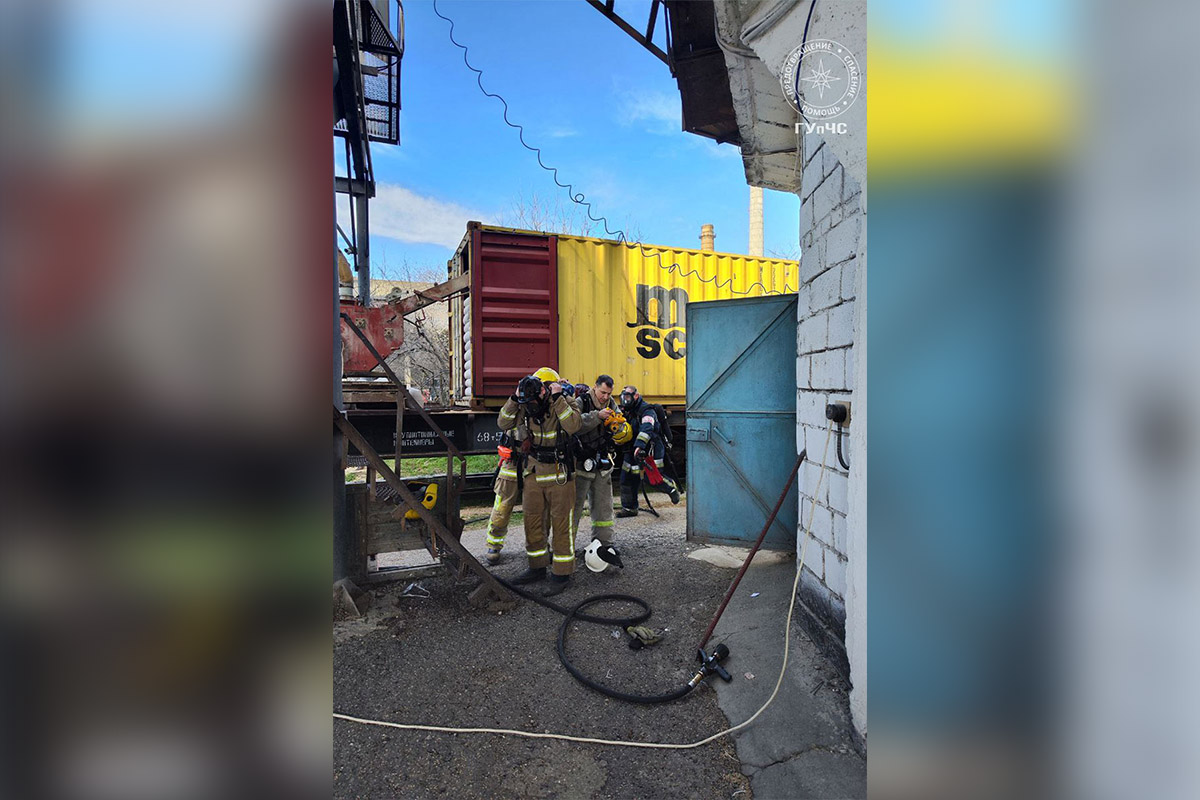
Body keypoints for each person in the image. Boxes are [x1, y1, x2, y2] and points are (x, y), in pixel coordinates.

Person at [497, 367, 582, 596]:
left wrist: (558, 399)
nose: (534, 401)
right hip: (533, 471)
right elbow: (503, 423)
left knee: (561, 523)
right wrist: (515, 399)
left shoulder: (565, 401)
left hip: (560, 473)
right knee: (532, 520)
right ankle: (537, 567)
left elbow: (573, 425)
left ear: (548, 388)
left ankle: (562, 573)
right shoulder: (525, 404)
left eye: (541, 391)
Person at [569, 374, 620, 547]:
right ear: (595, 387)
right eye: (602, 392)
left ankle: (604, 544)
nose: (605, 397)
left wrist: (620, 427)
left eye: (608, 393)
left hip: (602, 464)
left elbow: (619, 422)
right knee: (574, 507)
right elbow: (573, 425)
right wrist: (597, 416)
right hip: (582, 462)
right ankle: (565, 546)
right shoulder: (581, 401)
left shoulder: (611, 403)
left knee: (604, 507)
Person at [616, 385, 680, 517]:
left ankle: (671, 487)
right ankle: (629, 508)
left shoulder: (647, 411)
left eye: (628, 397)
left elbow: (647, 428)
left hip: (650, 449)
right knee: (626, 477)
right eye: (623, 397)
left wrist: (639, 446)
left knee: (652, 478)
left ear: (636, 396)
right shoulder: (627, 411)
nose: (625, 400)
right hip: (632, 448)